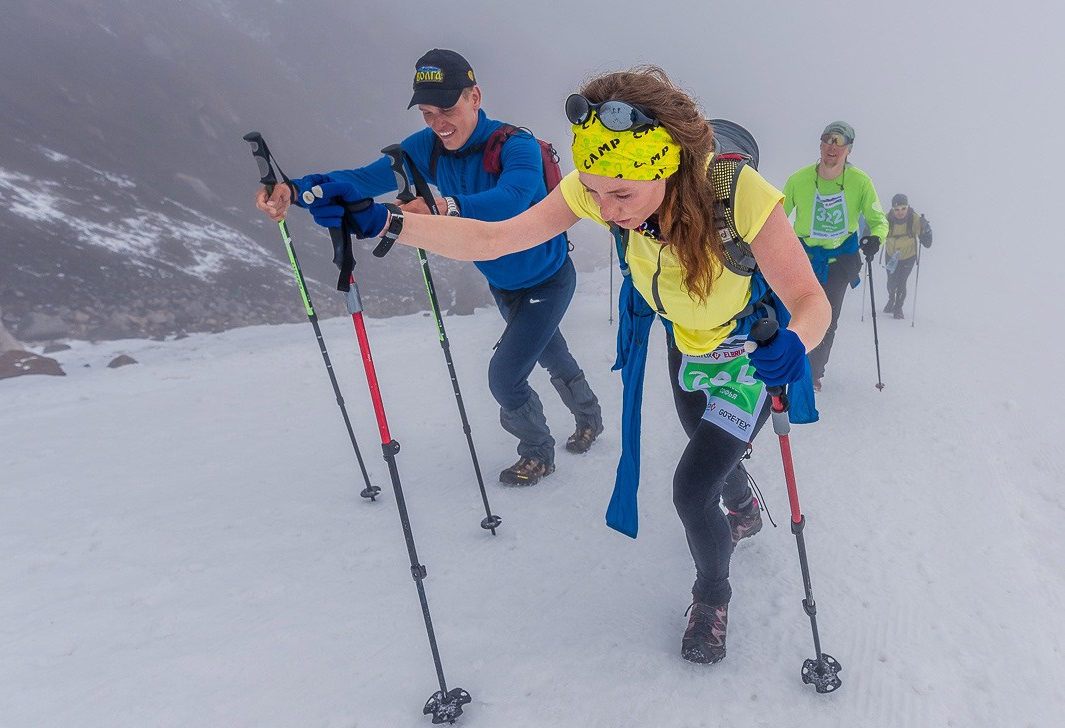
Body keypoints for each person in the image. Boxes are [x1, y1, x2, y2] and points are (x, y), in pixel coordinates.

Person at [291, 66, 832, 666]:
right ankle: (744, 502)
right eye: (595, 194)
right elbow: (497, 238)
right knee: (702, 445)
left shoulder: (738, 193)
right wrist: (388, 222)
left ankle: (712, 596)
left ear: (667, 165)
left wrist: (795, 343)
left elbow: (811, 301)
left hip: (745, 362)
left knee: (689, 489)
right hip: (687, 347)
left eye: (621, 195)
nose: (606, 209)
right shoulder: (601, 179)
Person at [256, 49, 603, 487]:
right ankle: (591, 415)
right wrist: (295, 188)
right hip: (502, 282)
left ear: (475, 96)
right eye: (427, 113)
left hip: (548, 279)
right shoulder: (428, 148)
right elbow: (363, 180)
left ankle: (537, 452)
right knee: (550, 351)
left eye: (447, 109)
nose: (438, 123)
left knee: (505, 376)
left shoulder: (516, 145)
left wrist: (441, 207)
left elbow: (514, 198)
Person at [782, 121, 888, 390]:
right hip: (804, 259)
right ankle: (791, 366)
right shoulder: (798, 180)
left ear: (848, 150)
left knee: (827, 320)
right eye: (828, 140)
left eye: (839, 142)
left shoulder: (860, 182)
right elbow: (778, 219)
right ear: (820, 144)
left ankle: (813, 374)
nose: (832, 147)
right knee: (796, 315)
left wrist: (876, 238)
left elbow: (879, 220)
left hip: (839, 263)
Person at [881, 193, 932, 319]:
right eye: (897, 209)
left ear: (908, 207)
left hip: (908, 256)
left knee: (901, 282)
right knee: (891, 283)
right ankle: (891, 299)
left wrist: (927, 230)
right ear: (892, 209)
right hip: (891, 256)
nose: (900, 212)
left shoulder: (914, 219)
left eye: (903, 208)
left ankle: (898, 308)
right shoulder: (886, 219)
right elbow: (877, 233)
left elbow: (927, 243)